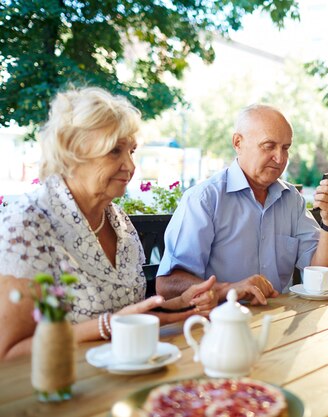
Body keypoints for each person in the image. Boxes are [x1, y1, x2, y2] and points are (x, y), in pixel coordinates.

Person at [0, 87, 214, 360]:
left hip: (127, 373)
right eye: (115, 151)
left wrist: (178, 305)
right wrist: (105, 326)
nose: (130, 166)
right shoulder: (25, 224)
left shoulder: (119, 222)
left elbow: (127, 315)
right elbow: (9, 352)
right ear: (72, 154)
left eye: (132, 151)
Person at [156, 104, 328, 305]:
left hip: (275, 322)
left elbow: (323, 278)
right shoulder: (205, 199)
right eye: (269, 146)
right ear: (238, 143)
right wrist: (230, 290)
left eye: (285, 148)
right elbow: (168, 285)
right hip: (217, 325)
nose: (280, 158)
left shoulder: (292, 199)